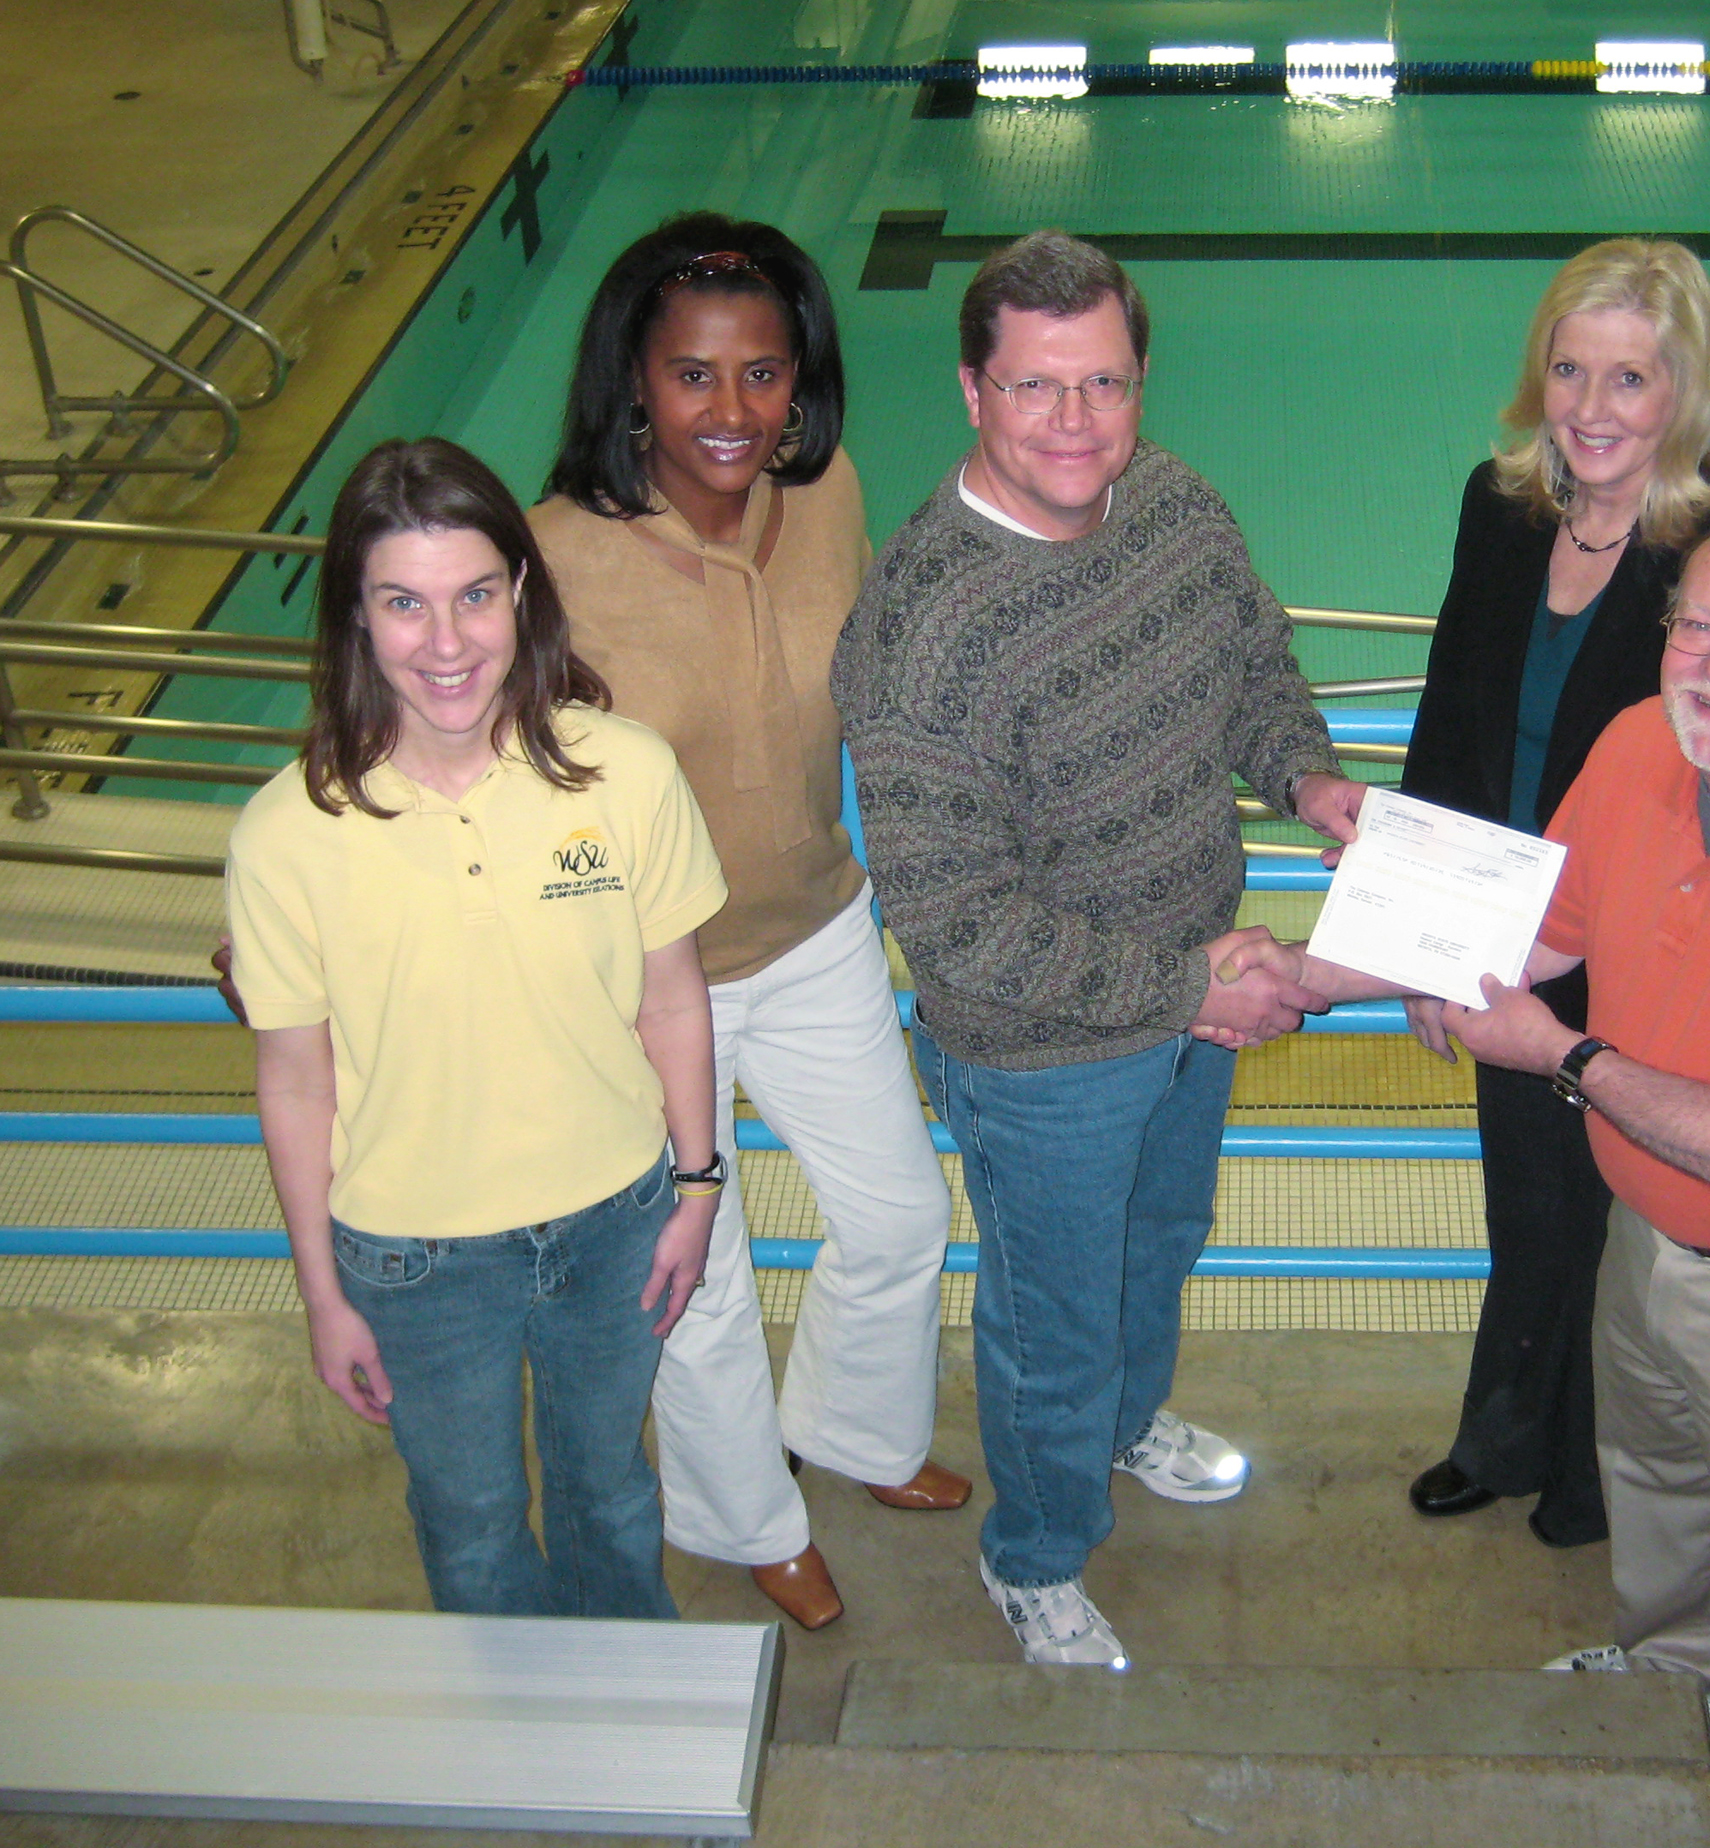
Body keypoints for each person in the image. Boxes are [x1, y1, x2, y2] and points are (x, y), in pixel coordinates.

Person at [1263, 513, 1710, 1729]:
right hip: (1646, 1238)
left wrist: (1558, 1054)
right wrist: (1303, 975)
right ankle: (1678, 1677)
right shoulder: (1645, 743)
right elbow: (1529, 937)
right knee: (1660, 1499)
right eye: (1698, 625)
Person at [831, 231, 1364, 1668]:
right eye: (1035, 390)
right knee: (1052, 1319)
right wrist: (1190, 986)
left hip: (1198, 982)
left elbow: (1252, 663)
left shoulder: (1171, 502)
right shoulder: (921, 632)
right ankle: (1036, 1552)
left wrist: (1308, 778)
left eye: (1105, 385)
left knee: (1162, 1241)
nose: (1076, 426)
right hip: (1047, 1053)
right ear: (971, 392)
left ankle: (1126, 1426)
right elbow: (960, 926)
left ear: (1138, 384)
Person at [526, 213, 969, 1633]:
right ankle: (748, 1519)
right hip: (643, 986)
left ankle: (850, 1432)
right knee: (698, 1285)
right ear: (631, 384)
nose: (732, 411)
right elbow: (436, 738)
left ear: (803, 381)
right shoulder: (549, 561)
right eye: (693, 376)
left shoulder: (827, 491)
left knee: (902, 1215)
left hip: (819, 929)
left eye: (764, 373)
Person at [228, 437, 725, 1617]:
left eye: (473, 597)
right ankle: (517, 1746)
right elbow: (297, 1083)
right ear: (355, 615)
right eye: (403, 604)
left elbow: (671, 997)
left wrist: (696, 1189)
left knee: (610, 1490)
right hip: (413, 1256)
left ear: (519, 594)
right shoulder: (285, 835)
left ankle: (624, 1712)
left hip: (614, 1223)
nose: (445, 644)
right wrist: (323, 1293)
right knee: (471, 1518)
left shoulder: (624, 774)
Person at [1398, 238, 1710, 1549]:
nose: (1593, 411)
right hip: (1498, 936)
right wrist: (1430, 946)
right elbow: (1450, 729)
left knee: (1620, 1228)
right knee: (1526, 1206)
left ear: (1686, 394)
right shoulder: (1502, 510)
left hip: (1645, 965)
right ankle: (1502, 1437)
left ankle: (1602, 1475)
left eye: (1630, 380)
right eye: (1569, 370)